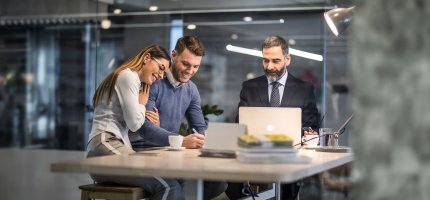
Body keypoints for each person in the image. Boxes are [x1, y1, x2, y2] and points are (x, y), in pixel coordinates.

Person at [129, 36, 227, 199]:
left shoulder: (191, 90)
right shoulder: (153, 80)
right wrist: (181, 140)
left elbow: (199, 128)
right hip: (143, 151)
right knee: (173, 187)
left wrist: (202, 140)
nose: (190, 71)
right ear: (174, 55)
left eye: (196, 66)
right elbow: (145, 128)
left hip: (169, 154)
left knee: (218, 182)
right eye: (186, 64)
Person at [86, 45, 186, 200]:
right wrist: (141, 105)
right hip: (104, 147)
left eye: (163, 72)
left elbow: (134, 123)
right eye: (160, 68)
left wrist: (140, 112)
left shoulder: (134, 81)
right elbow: (134, 124)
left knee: (173, 179)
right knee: (168, 185)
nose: (160, 75)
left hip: (110, 147)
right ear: (146, 58)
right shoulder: (128, 76)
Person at [226, 35, 319, 200]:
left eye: (275, 61)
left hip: (289, 160)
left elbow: (311, 126)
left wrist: (310, 136)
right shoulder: (249, 87)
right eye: (265, 60)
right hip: (254, 158)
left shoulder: (304, 89)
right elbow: (240, 125)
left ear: (287, 59)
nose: (269, 66)